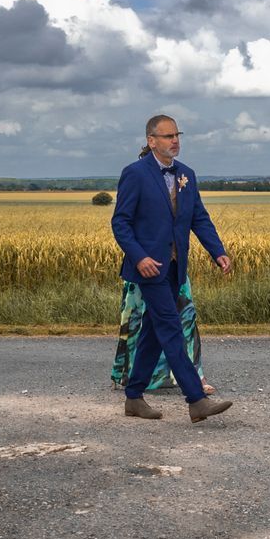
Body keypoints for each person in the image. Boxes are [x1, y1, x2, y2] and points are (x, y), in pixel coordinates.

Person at [110, 114, 234, 423]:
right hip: (149, 268)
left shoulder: (186, 175)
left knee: (154, 331)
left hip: (175, 267)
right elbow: (120, 223)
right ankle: (196, 399)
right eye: (167, 136)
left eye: (177, 135)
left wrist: (218, 252)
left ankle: (134, 397)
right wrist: (139, 257)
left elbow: (199, 218)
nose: (174, 140)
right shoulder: (135, 174)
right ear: (151, 141)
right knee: (170, 326)